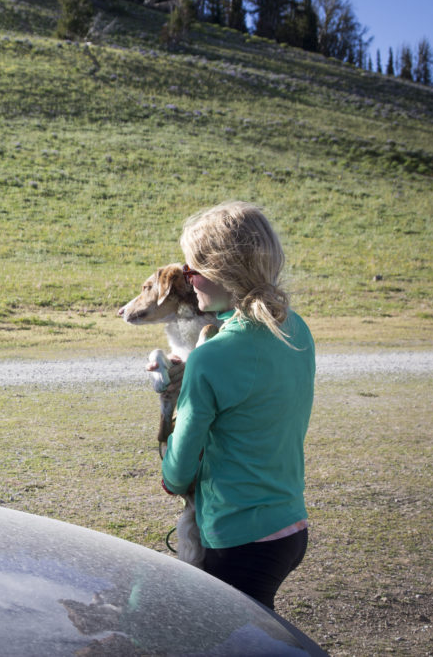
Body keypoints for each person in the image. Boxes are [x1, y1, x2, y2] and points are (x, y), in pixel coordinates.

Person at [159, 200, 315, 610]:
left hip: (237, 538)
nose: (187, 280)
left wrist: (178, 390)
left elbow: (178, 472)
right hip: (289, 525)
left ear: (224, 273)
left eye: (193, 270)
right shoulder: (295, 328)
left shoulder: (212, 357)